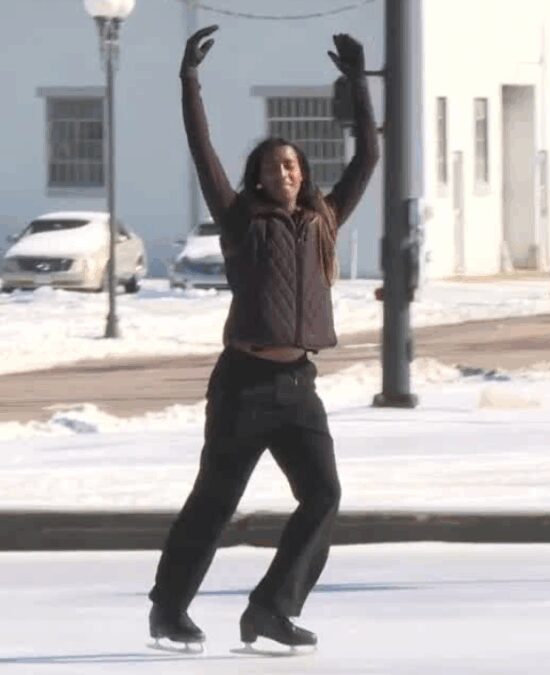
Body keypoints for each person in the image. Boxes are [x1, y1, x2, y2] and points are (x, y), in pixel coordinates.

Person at [147, 26, 378, 648]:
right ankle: (168, 609)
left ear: (304, 173)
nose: (285, 171)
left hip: (299, 384)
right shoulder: (239, 218)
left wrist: (358, 82)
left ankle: (270, 609)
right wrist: (189, 80)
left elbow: (367, 159)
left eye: (292, 164)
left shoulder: (324, 220)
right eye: (274, 165)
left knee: (323, 495)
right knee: (216, 502)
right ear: (258, 176)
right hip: (243, 385)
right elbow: (202, 150)